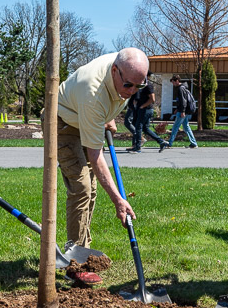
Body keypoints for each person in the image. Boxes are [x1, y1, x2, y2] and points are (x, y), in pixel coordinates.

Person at [57, 48, 147, 285]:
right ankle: (74, 264)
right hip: (64, 123)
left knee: (93, 190)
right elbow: (96, 156)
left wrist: (107, 117)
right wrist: (119, 200)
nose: (132, 92)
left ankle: (82, 252)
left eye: (139, 86)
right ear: (114, 71)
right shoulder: (92, 92)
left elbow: (112, 98)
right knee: (82, 188)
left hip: (85, 115)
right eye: (128, 85)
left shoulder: (124, 70)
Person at [129, 73, 169, 153]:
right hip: (145, 110)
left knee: (138, 127)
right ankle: (161, 142)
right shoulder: (142, 85)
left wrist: (142, 106)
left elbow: (153, 99)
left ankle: (137, 147)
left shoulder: (148, 86)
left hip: (145, 110)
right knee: (145, 128)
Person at [167, 74, 198, 149]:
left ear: (177, 81)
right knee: (186, 127)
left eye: (173, 82)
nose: (173, 84)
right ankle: (193, 143)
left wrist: (182, 111)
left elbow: (183, 101)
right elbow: (181, 101)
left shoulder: (181, 89)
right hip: (183, 110)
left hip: (182, 111)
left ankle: (169, 143)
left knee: (175, 127)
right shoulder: (183, 88)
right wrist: (177, 109)